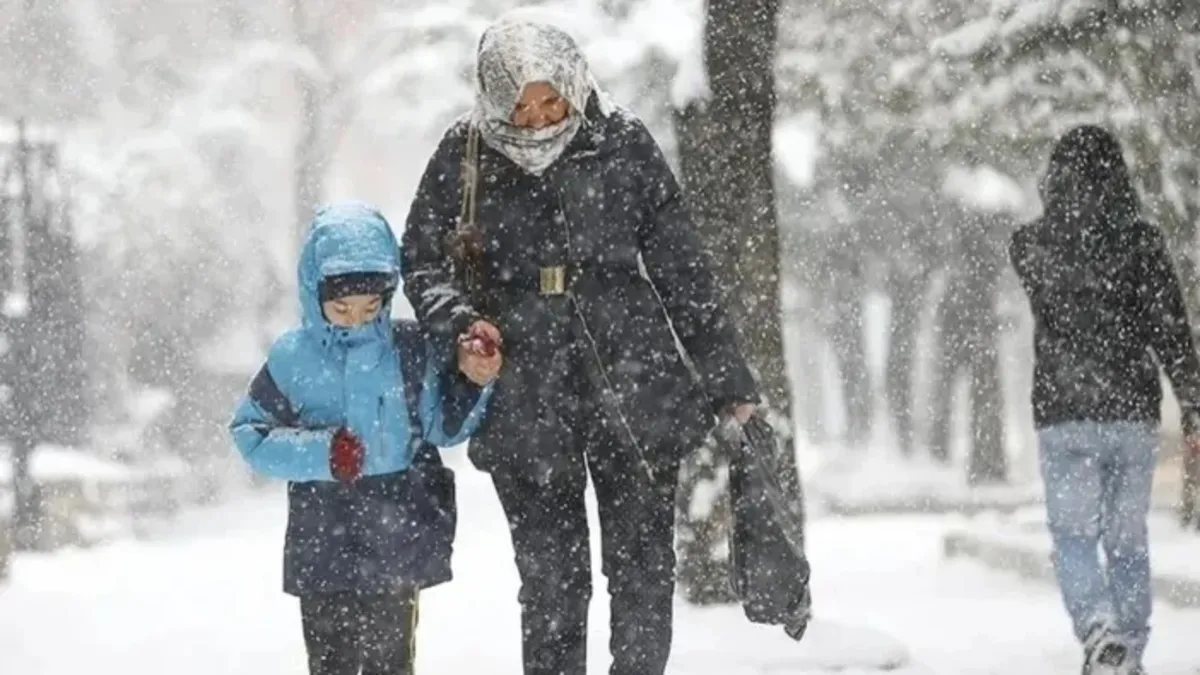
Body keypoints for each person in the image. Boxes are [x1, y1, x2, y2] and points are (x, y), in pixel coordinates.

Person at [400, 12, 758, 675]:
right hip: (523, 390)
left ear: (572, 82)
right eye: (520, 105)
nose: (537, 120)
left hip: (632, 377)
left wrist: (727, 377)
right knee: (551, 581)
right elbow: (421, 259)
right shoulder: (464, 152)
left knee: (643, 569)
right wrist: (460, 325)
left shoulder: (620, 141)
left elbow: (682, 268)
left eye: (550, 100)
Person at [229, 201, 501, 675]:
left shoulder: (409, 349)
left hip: (395, 531)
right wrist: (322, 453)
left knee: (390, 662)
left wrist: (475, 382)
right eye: (341, 307)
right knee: (330, 662)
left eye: (371, 305)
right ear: (315, 291)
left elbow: (442, 428)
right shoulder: (294, 357)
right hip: (323, 533)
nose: (357, 317)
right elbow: (249, 433)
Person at [1010, 125, 1200, 675]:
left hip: (1063, 411)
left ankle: (1098, 629)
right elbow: (1169, 328)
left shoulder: (1031, 244)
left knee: (1072, 537)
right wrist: (1191, 399)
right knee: (1127, 541)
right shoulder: (1142, 242)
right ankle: (1130, 652)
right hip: (1131, 414)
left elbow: (1051, 274)